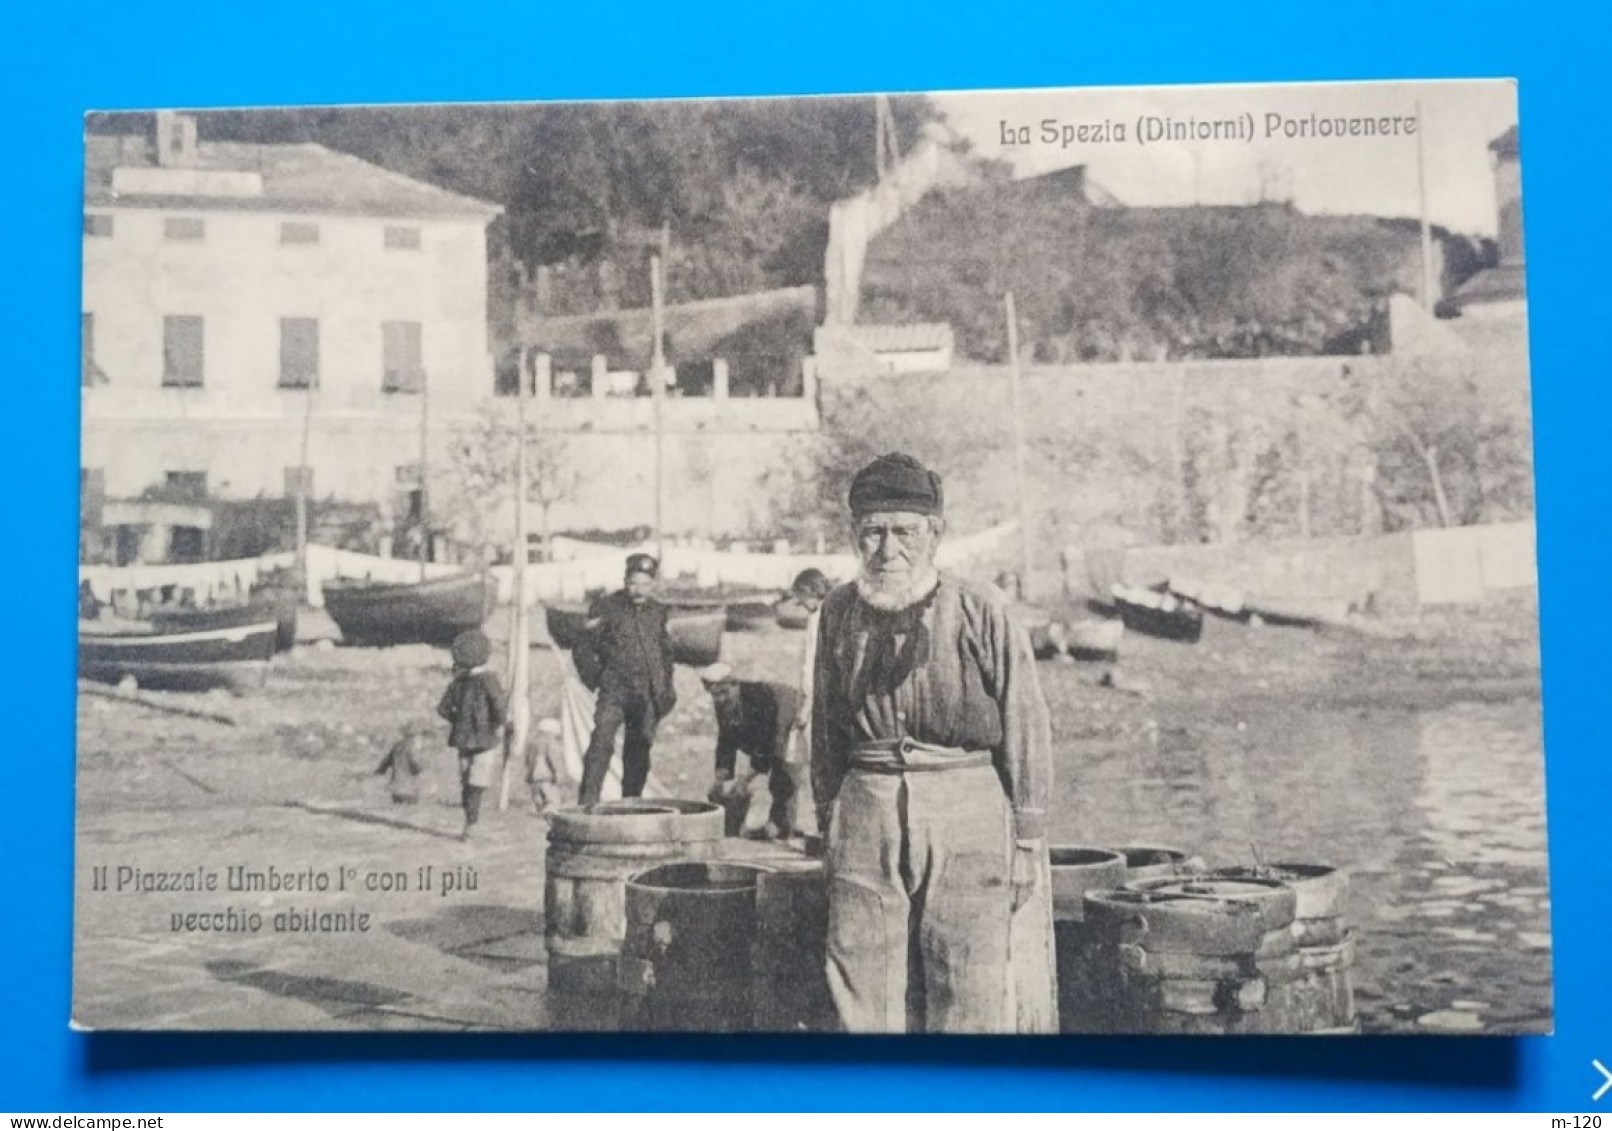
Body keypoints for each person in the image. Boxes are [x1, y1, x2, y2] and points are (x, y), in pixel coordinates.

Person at [810, 451, 1055, 1034]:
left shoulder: (980, 608)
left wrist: (1026, 839)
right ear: (853, 536)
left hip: (967, 809)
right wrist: (829, 821)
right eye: (872, 532)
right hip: (865, 809)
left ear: (935, 535)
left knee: (967, 983)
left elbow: (1026, 721)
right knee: (860, 984)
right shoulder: (838, 612)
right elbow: (824, 725)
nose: (887, 550)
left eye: (904, 532)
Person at [577, 553, 677, 805]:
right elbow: (583, 646)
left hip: (647, 693)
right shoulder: (606, 607)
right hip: (614, 691)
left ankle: (630, 803)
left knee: (639, 749)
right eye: (633, 582)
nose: (638, 589)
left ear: (653, 584)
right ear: (624, 580)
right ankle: (587, 804)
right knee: (601, 741)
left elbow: (666, 654)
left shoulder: (659, 612)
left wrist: (665, 688)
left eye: (644, 584)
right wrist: (596, 678)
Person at [699, 663, 802, 839]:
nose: (722, 699)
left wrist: (744, 780)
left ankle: (781, 825)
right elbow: (726, 740)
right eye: (716, 695)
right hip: (769, 728)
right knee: (725, 790)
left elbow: (766, 746)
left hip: (787, 711)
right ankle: (733, 826)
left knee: (782, 766)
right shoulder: (723, 705)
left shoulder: (758, 700)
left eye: (725, 693)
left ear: (736, 685)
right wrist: (720, 778)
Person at [437, 628, 507, 841]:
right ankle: (472, 823)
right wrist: (501, 723)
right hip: (486, 738)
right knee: (477, 781)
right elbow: (499, 704)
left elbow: (443, 709)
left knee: (467, 781)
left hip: (463, 739)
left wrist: (458, 721)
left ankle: (470, 820)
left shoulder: (457, 682)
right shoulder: (489, 680)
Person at [374, 722, 428, 805]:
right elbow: (413, 760)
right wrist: (419, 770)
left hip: (396, 790)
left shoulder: (397, 745)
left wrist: (380, 770)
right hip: (408, 790)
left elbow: (386, 761)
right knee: (412, 802)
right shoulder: (413, 745)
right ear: (416, 736)